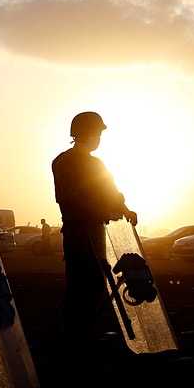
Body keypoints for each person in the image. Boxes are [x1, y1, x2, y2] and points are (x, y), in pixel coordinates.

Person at [51, 111, 137, 352]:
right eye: (97, 133)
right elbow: (68, 197)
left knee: (97, 284)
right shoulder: (65, 162)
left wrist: (125, 209)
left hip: (97, 232)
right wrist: (96, 211)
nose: (98, 138)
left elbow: (111, 190)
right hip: (79, 233)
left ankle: (84, 333)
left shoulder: (97, 163)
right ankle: (73, 338)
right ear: (85, 134)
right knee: (80, 285)